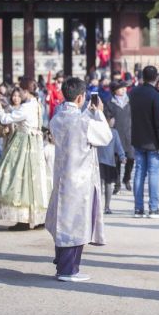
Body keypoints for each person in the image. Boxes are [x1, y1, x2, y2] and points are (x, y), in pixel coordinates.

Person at [46, 77, 112, 282]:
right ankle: (68, 269)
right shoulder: (84, 121)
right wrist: (98, 112)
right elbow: (105, 137)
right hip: (80, 179)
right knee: (76, 223)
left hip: (62, 176)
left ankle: (64, 265)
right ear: (81, 97)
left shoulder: (56, 118)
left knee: (63, 221)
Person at [0, 78, 49, 230]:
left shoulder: (27, 107)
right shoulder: (36, 103)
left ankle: (23, 219)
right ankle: (39, 217)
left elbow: (5, 119)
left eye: (20, 91)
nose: (19, 94)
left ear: (26, 91)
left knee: (19, 179)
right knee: (36, 181)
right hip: (35, 143)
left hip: (24, 143)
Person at [129, 65, 159, 218]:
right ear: (156, 78)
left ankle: (138, 208)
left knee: (139, 173)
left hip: (138, 138)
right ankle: (153, 208)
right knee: (154, 174)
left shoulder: (133, 93)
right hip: (153, 142)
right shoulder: (156, 96)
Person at [105, 80, 134, 193]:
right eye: (121, 88)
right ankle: (117, 184)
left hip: (130, 134)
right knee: (116, 161)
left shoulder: (130, 101)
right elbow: (107, 118)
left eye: (124, 88)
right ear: (114, 91)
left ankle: (126, 178)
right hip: (116, 136)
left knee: (131, 158)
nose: (124, 89)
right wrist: (109, 121)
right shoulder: (110, 103)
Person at [97, 113, 126, 215]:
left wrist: (122, 156)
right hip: (104, 161)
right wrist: (122, 156)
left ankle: (103, 207)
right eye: (111, 119)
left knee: (103, 185)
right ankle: (104, 207)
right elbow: (118, 146)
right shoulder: (111, 132)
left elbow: (118, 146)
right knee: (104, 184)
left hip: (103, 161)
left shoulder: (110, 132)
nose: (113, 121)